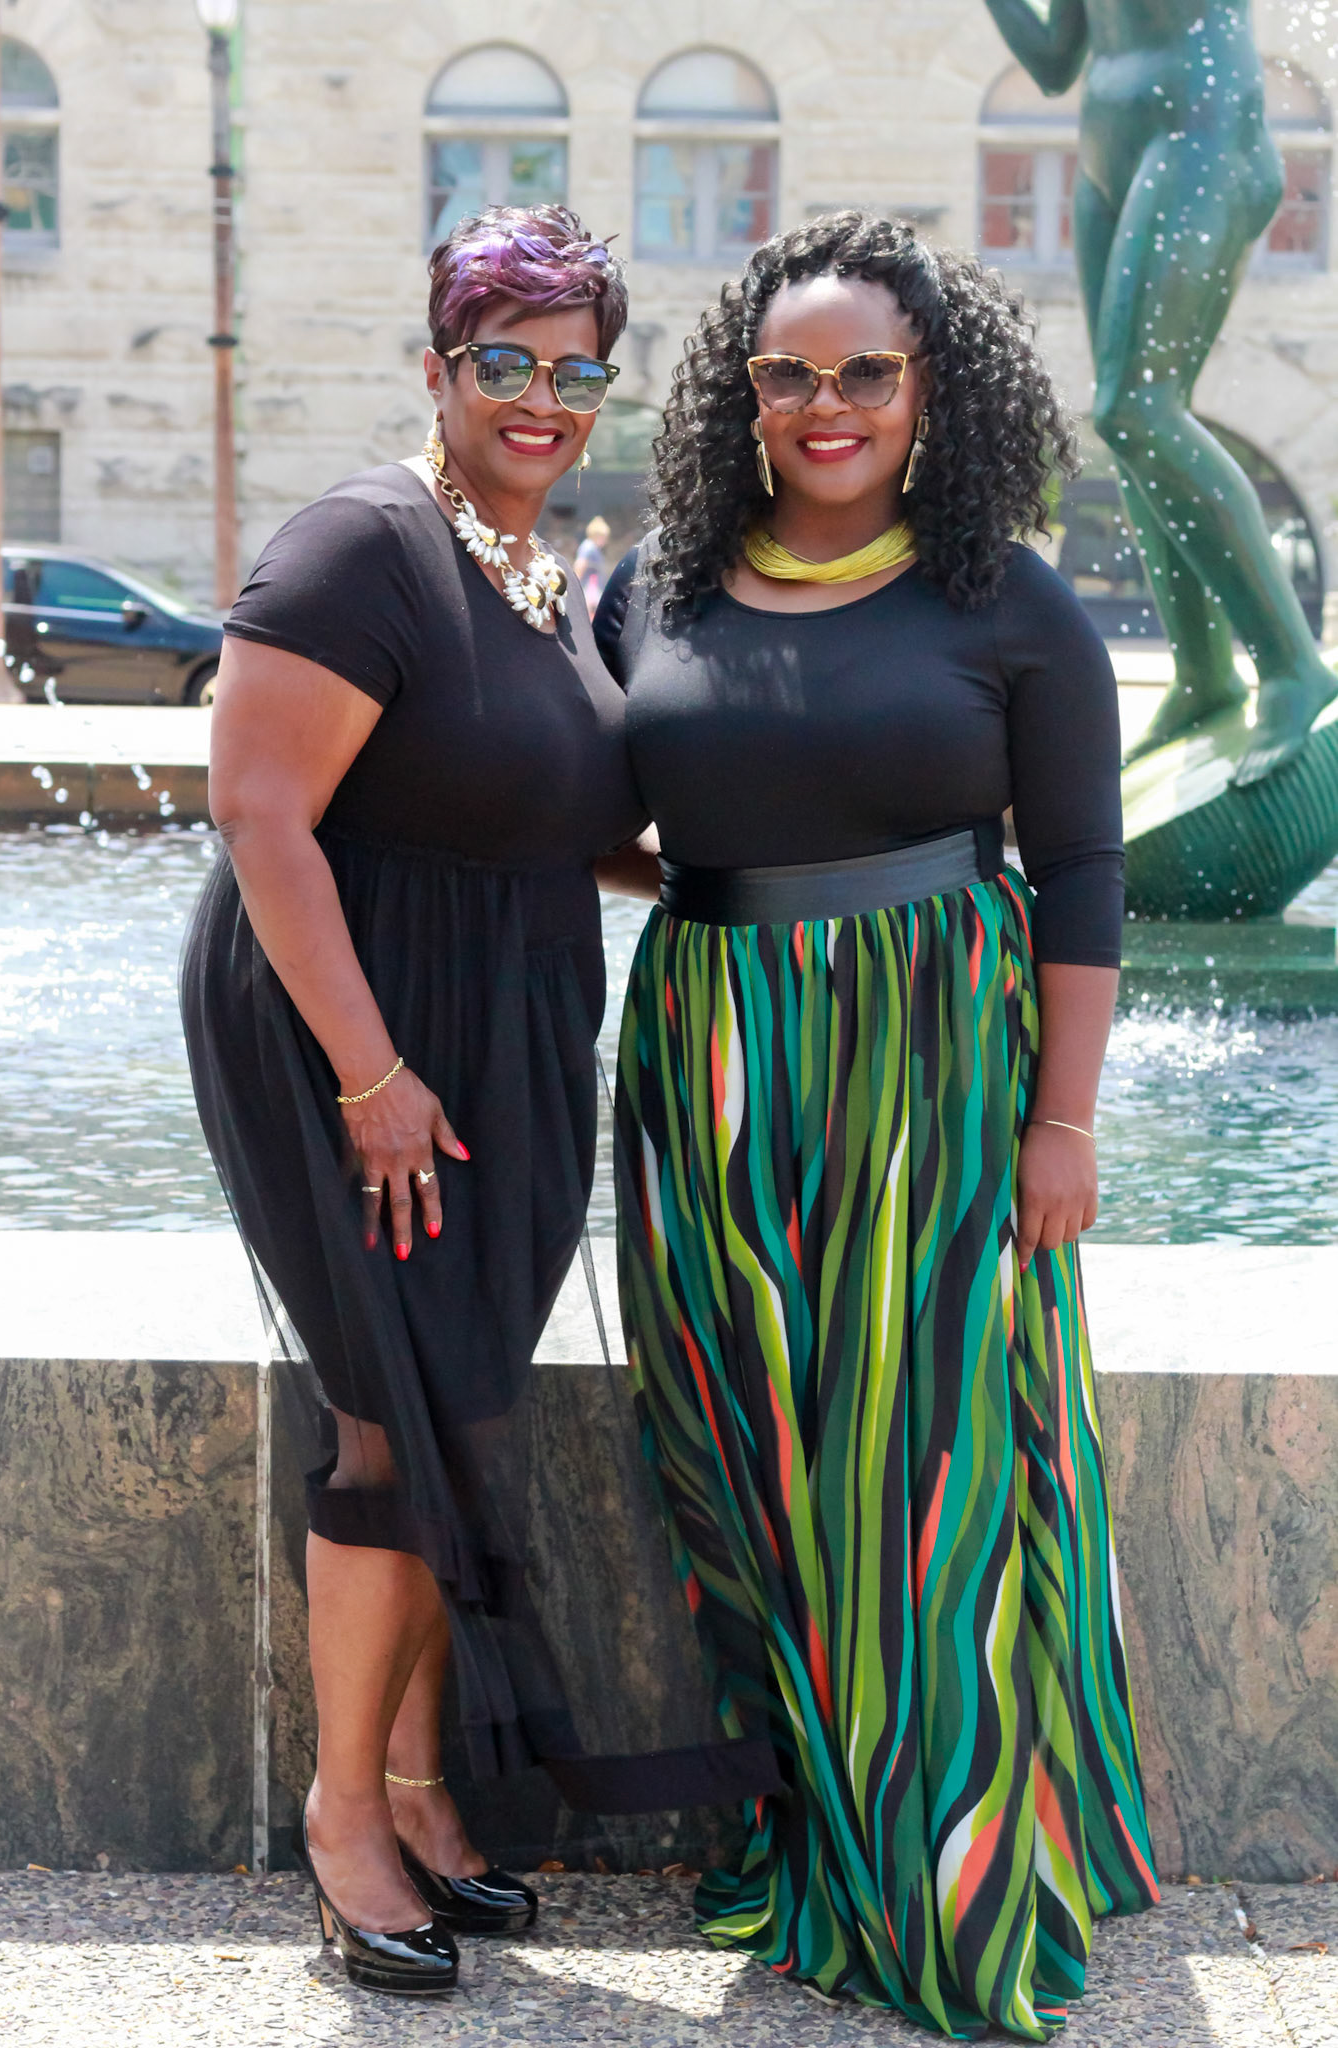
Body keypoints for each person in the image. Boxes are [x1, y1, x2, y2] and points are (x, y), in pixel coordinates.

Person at [595, 211, 1159, 2040]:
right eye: (788, 372)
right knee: (748, 1461)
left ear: (934, 389)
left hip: (931, 1065)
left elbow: (1082, 870)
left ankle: (952, 1877)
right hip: (711, 1062)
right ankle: (815, 1830)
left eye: (866, 372)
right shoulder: (659, 586)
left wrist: (1063, 1123)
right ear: (740, 392)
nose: (824, 404)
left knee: (923, 1472)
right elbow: (608, 812)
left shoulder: (1008, 599)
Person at [181, 205, 651, 1998]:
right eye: (504, 361)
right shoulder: (360, 544)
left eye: (575, 370)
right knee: (390, 1413)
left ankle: (418, 1779)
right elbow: (259, 810)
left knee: (457, 1406)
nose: (541, 397)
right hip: (361, 1029)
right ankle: (344, 1816)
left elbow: (538, 812)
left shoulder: (535, 566)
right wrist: (370, 1075)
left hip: (505, 1031)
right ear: (438, 366)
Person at [985, 0, 1336, 784]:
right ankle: (1203, 676)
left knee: (1134, 408)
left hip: (1203, 138)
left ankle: (1290, 665)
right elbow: (1053, 63)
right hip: (1106, 158)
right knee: (1132, 430)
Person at [575, 514, 612, 616]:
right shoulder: (588, 546)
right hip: (589, 590)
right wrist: (575, 587)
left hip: (594, 590)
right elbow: (580, 565)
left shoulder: (594, 548)